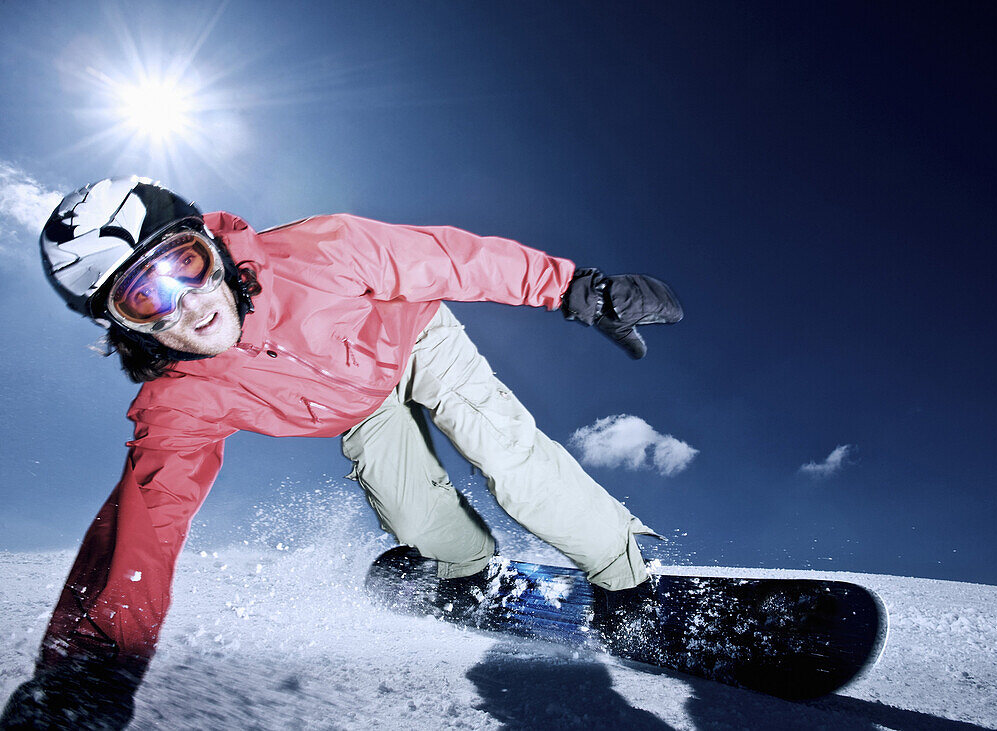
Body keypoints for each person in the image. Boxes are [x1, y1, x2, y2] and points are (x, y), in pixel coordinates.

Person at [1, 176, 683, 728]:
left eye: (184, 265)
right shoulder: (183, 398)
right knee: (414, 514)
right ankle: (463, 569)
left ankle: (622, 575)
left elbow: (449, 258)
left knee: (509, 459)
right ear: (124, 327)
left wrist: (573, 288)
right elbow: (144, 526)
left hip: (413, 334)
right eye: (146, 298)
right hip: (361, 404)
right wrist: (89, 671)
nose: (189, 304)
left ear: (209, 243)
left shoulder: (319, 251)